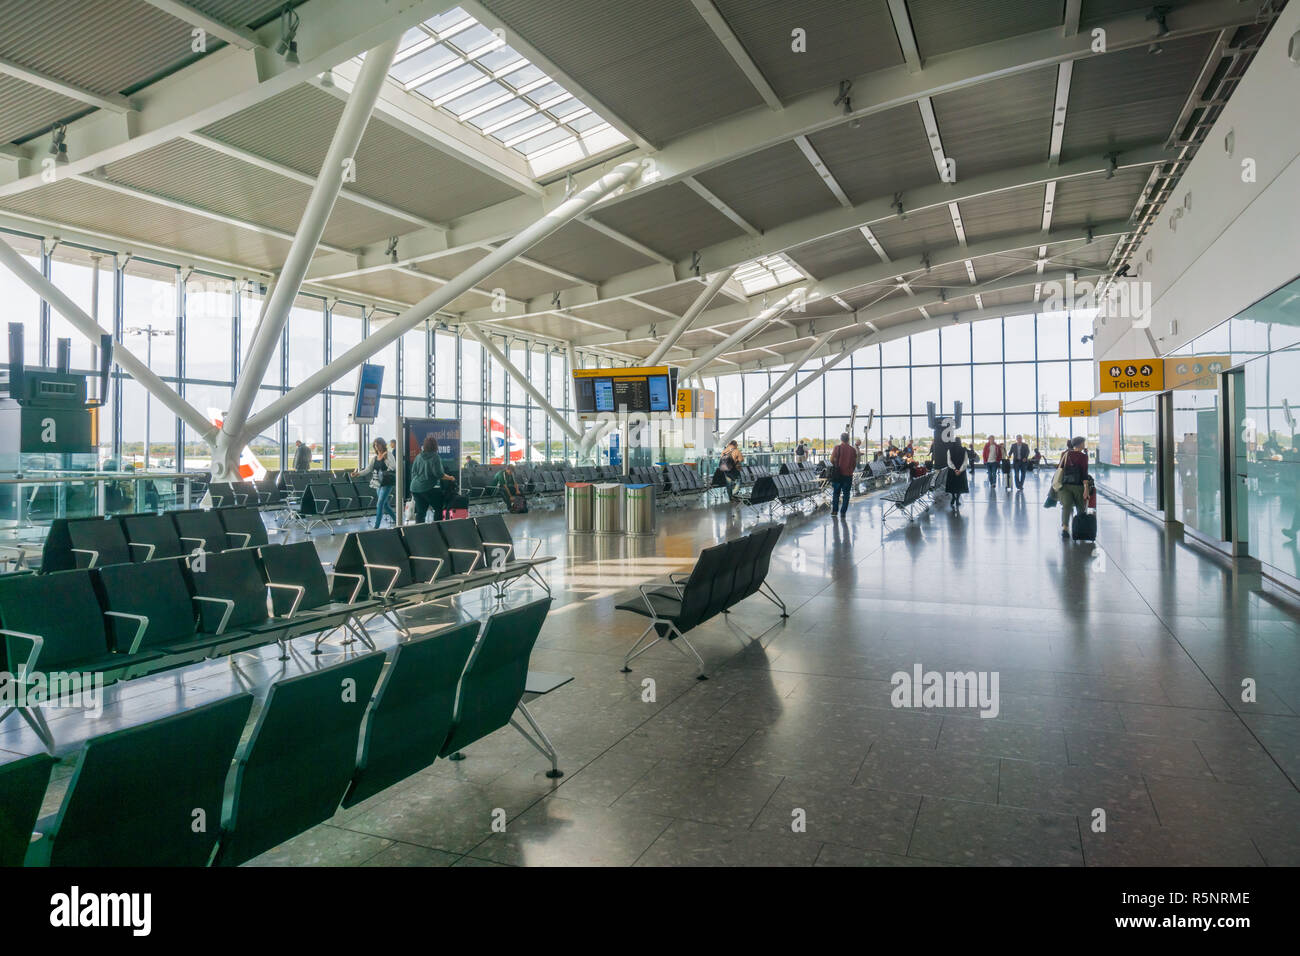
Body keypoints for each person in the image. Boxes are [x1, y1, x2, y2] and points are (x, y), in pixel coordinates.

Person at [409, 434, 453, 523]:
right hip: (428, 488)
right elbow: (439, 474)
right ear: (435, 446)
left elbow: (413, 472)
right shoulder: (435, 457)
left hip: (415, 488)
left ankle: (419, 531)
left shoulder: (419, 456)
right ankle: (438, 529)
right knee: (438, 508)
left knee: (421, 513)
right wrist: (451, 478)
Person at [353, 437, 395, 528]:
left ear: (383, 445)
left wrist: (386, 459)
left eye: (378, 444)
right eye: (375, 445)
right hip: (378, 483)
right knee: (385, 505)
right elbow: (368, 469)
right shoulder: (375, 458)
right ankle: (397, 520)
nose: (377, 446)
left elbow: (393, 467)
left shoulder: (388, 454)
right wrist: (358, 474)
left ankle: (376, 526)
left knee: (379, 504)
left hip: (387, 483)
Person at [1055, 436, 1092, 538]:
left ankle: (1065, 529)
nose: (1084, 445)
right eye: (1083, 443)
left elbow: (1059, 468)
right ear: (1080, 444)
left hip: (1065, 485)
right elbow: (1084, 474)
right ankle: (1076, 528)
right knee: (1080, 508)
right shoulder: (1083, 457)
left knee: (1067, 506)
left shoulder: (1065, 454)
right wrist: (1086, 489)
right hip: (1078, 486)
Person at [828, 431, 858, 517]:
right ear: (848, 439)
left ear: (841, 439)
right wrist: (850, 470)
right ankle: (843, 512)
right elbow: (854, 463)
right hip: (848, 475)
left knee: (836, 493)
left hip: (838, 474)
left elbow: (831, 459)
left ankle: (834, 511)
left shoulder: (837, 448)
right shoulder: (852, 450)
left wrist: (836, 465)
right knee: (846, 494)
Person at [947, 436, 969, 509]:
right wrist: (960, 470)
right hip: (961, 472)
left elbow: (949, 461)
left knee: (952, 486)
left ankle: (953, 497)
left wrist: (954, 469)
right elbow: (965, 461)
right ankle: (957, 500)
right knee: (959, 486)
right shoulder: (964, 450)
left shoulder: (949, 450)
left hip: (952, 471)